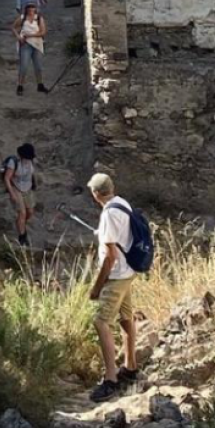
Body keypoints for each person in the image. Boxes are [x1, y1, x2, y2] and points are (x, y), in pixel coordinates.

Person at [86, 172, 139, 402]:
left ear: (96, 194)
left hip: (116, 276)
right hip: (129, 271)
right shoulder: (122, 204)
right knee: (126, 318)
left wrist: (97, 286)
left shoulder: (108, 214)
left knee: (101, 322)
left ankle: (111, 379)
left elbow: (110, 256)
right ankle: (130, 366)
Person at [3, 143, 37, 247]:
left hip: (28, 189)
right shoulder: (13, 163)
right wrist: (12, 193)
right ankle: (22, 236)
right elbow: (7, 178)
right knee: (22, 213)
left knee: (30, 212)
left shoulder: (31, 162)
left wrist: (34, 185)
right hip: (16, 188)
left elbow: (31, 174)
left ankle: (20, 223)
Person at [11, 3, 48, 95]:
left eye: (33, 8)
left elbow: (43, 32)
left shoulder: (39, 18)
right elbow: (13, 27)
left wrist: (30, 35)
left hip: (37, 44)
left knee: (38, 66)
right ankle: (20, 85)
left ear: (35, 9)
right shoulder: (23, 18)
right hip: (26, 44)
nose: (31, 10)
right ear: (26, 9)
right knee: (24, 66)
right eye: (29, 8)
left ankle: (40, 84)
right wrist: (18, 37)